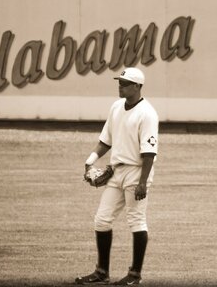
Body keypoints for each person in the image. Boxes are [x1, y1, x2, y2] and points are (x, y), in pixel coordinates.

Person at [76, 67, 159, 285]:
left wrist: (143, 182)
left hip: (136, 171)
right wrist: (91, 160)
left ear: (137, 86)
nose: (120, 86)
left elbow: (149, 153)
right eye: (119, 82)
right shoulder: (116, 107)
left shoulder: (147, 113)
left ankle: (134, 275)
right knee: (102, 220)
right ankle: (101, 272)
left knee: (137, 220)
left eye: (124, 83)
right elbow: (106, 140)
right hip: (115, 170)